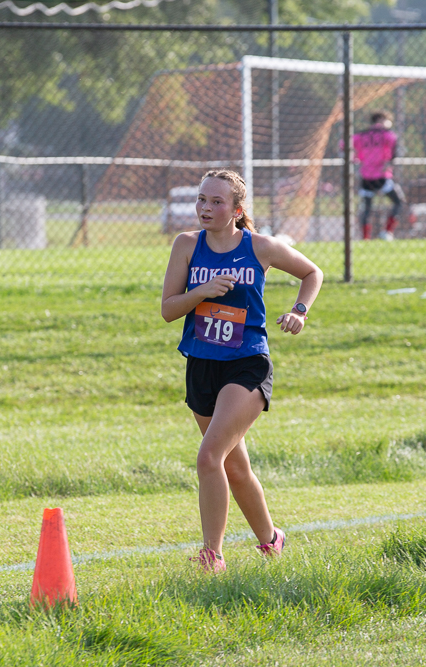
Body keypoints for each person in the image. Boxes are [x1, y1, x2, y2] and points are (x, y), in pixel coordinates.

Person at [161, 168, 323, 572]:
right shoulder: (186, 245)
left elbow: (311, 272)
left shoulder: (261, 247)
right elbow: (167, 309)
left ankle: (212, 555)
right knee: (233, 465)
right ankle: (271, 540)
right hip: (201, 363)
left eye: (216, 202)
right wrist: (200, 291)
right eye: (201, 199)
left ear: (236, 210)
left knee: (209, 456)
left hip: (247, 363)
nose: (205, 208)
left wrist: (300, 311)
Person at [353, 111, 405, 241]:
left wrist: (356, 161)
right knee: (399, 202)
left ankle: (365, 237)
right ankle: (387, 232)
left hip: (365, 176)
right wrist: (388, 162)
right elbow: (397, 149)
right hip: (382, 175)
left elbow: (344, 145)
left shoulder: (360, 135)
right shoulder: (388, 134)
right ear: (381, 120)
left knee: (367, 208)